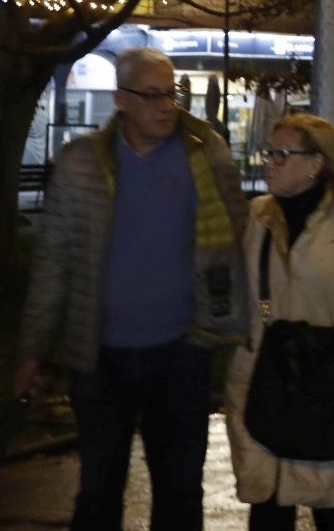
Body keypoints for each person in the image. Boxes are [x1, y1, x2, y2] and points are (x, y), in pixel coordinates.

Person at [16, 46, 249, 531]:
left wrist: (251, 321)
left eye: (172, 93)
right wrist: (33, 350)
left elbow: (238, 244)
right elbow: (53, 263)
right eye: (153, 95)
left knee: (181, 490)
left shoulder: (206, 155)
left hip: (183, 351)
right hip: (100, 356)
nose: (168, 105)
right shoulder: (81, 165)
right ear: (121, 98)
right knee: (99, 490)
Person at [226, 113, 334, 530]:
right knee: (267, 505)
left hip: (330, 384)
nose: (268, 162)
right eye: (268, 152)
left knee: (333, 508)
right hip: (263, 378)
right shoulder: (258, 215)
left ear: (316, 163)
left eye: (282, 154)